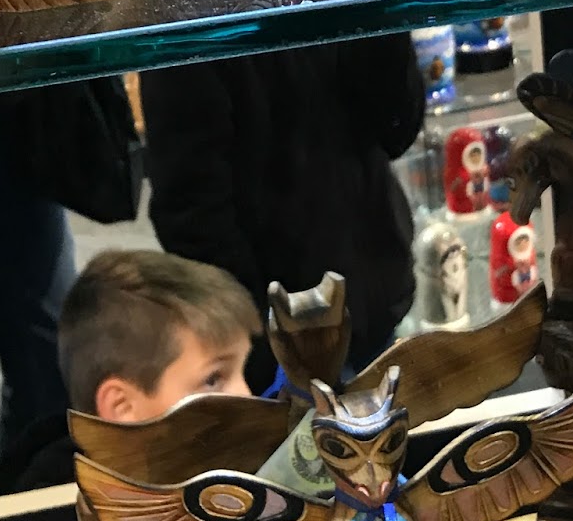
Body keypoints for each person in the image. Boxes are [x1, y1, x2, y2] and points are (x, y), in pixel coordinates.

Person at [139, 31, 426, 372]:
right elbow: (190, 213)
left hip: (375, 297)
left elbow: (397, 130)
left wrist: (384, 23)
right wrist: (258, 344)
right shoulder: (191, 26)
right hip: (282, 337)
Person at [0, 249, 258, 496]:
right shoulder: (53, 519)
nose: (248, 396)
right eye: (213, 380)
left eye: (241, 371)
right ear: (123, 407)